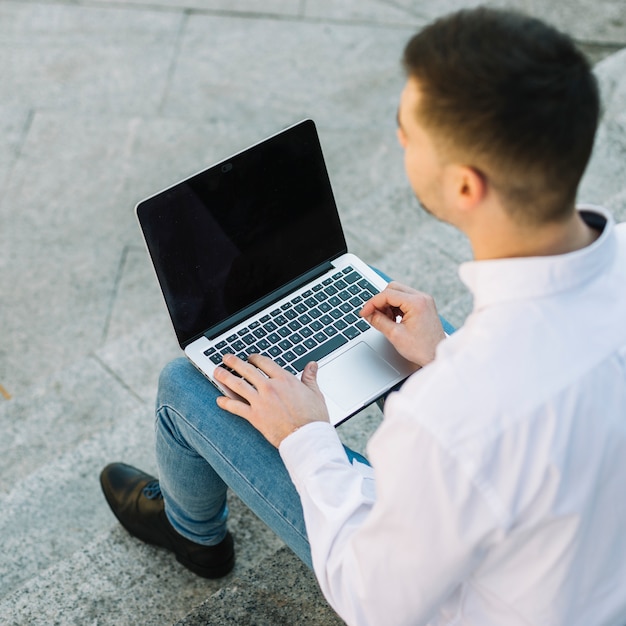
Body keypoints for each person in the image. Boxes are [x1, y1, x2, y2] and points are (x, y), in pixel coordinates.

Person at [100, 7, 626, 625]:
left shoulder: (450, 420)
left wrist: (306, 438)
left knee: (185, 385)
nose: (400, 139)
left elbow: (371, 599)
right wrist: (444, 356)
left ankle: (195, 535)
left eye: (409, 130)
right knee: (400, 348)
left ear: (464, 186)